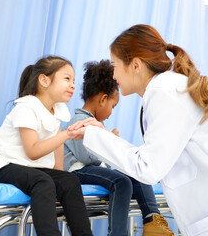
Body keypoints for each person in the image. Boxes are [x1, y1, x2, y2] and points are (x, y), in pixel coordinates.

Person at [68, 24, 208, 236]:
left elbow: (147, 167)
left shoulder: (164, 92)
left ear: (135, 65)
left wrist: (95, 135)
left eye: (115, 65)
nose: (113, 76)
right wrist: (100, 134)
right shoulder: (166, 88)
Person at [0, 56, 93, 236]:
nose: (73, 85)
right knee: (43, 182)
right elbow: (32, 151)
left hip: (30, 169)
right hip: (1, 167)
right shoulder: (27, 107)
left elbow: (57, 147)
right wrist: (68, 134)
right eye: (66, 78)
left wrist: (60, 175)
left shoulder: (57, 109)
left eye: (74, 80)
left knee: (69, 180)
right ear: (44, 80)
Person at [63, 59, 174, 236]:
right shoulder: (79, 122)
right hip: (77, 172)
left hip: (91, 170)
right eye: (113, 107)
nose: (111, 112)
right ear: (103, 99)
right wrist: (107, 142)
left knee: (136, 170)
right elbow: (87, 159)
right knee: (121, 182)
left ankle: (153, 220)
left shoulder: (94, 125)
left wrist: (107, 142)